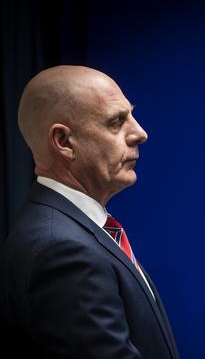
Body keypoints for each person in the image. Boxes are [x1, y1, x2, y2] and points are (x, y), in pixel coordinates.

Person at [0, 65, 179, 359]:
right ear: (64, 142)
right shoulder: (61, 249)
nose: (140, 133)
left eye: (131, 115)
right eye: (116, 121)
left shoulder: (72, 231)